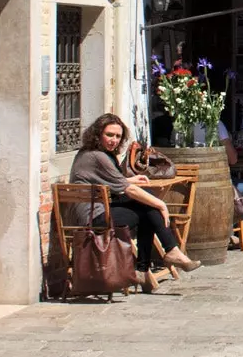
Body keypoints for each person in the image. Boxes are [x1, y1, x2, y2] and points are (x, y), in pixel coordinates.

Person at [69, 114, 200, 292]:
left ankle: (147, 267)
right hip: (93, 218)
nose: (113, 140)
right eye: (109, 135)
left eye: (117, 136)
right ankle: (164, 256)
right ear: (98, 134)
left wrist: (129, 180)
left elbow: (112, 181)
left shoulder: (89, 153)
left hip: (96, 211)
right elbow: (127, 190)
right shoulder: (97, 157)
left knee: (146, 208)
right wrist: (161, 204)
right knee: (149, 208)